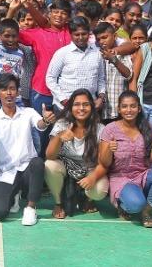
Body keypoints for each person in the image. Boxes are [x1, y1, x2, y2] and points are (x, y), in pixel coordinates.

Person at [88, 90, 152, 228]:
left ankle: (146, 211)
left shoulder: (148, 128)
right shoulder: (110, 129)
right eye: (125, 106)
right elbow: (104, 163)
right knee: (135, 205)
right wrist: (110, 149)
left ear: (139, 109)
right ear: (119, 109)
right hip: (121, 178)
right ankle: (123, 205)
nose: (129, 110)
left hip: (143, 174)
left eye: (133, 106)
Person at [0, 72, 50, 225]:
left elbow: (40, 124)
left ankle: (30, 208)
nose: (9, 93)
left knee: (38, 162)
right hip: (6, 172)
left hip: (27, 170)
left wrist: (45, 120)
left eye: (12, 89)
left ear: (18, 92)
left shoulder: (28, 112)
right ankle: (14, 195)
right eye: (4, 89)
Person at [44, 89, 108, 219]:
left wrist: (93, 178)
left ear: (92, 106)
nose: (81, 108)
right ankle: (58, 202)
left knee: (100, 190)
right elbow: (49, 155)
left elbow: (104, 163)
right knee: (49, 165)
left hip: (89, 170)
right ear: (71, 107)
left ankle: (88, 199)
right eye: (77, 104)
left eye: (86, 104)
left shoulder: (100, 128)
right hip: (66, 169)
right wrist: (60, 137)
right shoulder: (62, 124)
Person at [44, 17, 107, 111]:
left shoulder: (97, 53)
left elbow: (101, 79)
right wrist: (64, 100)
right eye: (77, 35)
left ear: (89, 33)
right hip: (64, 108)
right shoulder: (62, 53)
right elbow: (50, 78)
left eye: (84, 34)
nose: (81, 38)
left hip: (89, 107)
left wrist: (101, 98)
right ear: (71, 35)